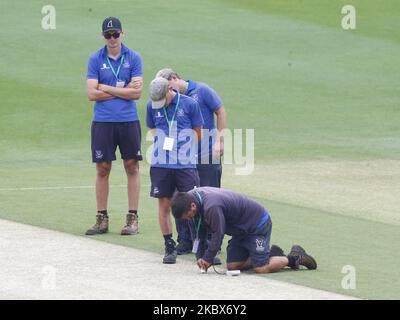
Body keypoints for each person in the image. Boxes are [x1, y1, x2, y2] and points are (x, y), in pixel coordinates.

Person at [156, 68, 227, 255]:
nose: (168, 92)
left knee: (209, 198)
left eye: (169, 87)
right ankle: (185, 241)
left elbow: (220, 111)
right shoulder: (172, 101)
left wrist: (220, 140)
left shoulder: (202, 90)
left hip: (206, 154)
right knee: (181, 198)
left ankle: (212, 243)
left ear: (174, 78)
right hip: (184, 159)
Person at [85, 17, 143, 236]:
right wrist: (123, 90)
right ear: (103, 36)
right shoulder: (95, 58)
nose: (112, 39)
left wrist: (105, 88)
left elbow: (136, 93)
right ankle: (102, 218)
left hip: (128, 120)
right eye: (108, 35)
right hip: (103, 121)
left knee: (132, 166)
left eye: (115, 34)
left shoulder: (134, 57)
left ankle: (133, 217)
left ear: (122, 34)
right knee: (102, 168)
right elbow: (91, 94)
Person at [171, 187, 317, 273]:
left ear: (192, 206)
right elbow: (199, 233)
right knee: (232, 266)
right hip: (240, 231)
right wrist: (201, 258)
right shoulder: (190, 200)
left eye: (188, 216)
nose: (189, 219)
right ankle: (269, 254)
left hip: (257, 225)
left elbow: (218, 233)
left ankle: (295, 258)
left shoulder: (211, 206)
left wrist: (208, 259)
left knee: (260, 268)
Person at [146, 77, 204, 264]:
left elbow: (198, 132)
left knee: (195, 204)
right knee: (163, 205)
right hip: (161, 164)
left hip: (185, 164)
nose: (159, 104)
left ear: (170, 89)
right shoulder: (151, 106)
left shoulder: (190, 104)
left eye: (162, 99)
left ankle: (202, 246)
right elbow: (153, 129)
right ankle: (169, 245)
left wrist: (182, 145)